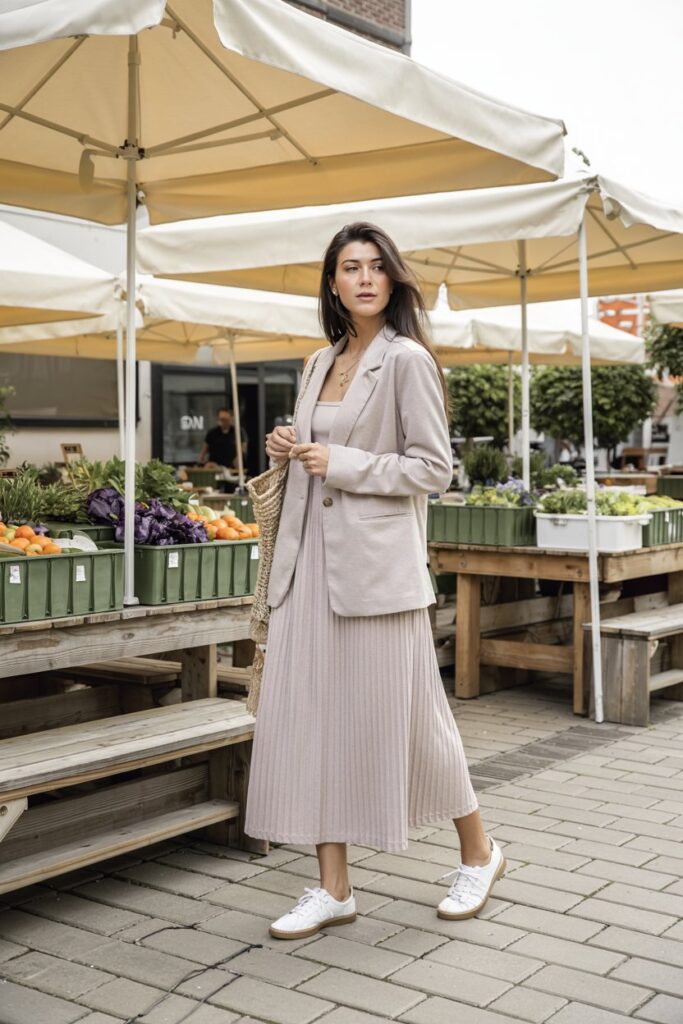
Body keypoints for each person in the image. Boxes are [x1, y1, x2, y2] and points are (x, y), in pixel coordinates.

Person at [244, 222, 506, 940]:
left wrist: (345, 463)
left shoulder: (407, 359)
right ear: (331, 283)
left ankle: (479, 853)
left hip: (377, 573)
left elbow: (432, 468)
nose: (362, 278)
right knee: (314, 723)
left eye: (374, 267)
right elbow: (320, 448)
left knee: (417, 719)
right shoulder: (317, 360)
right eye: (347, 268)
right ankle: (333, 885)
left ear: (391, 279)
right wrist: (290, 445)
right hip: (307, 569)